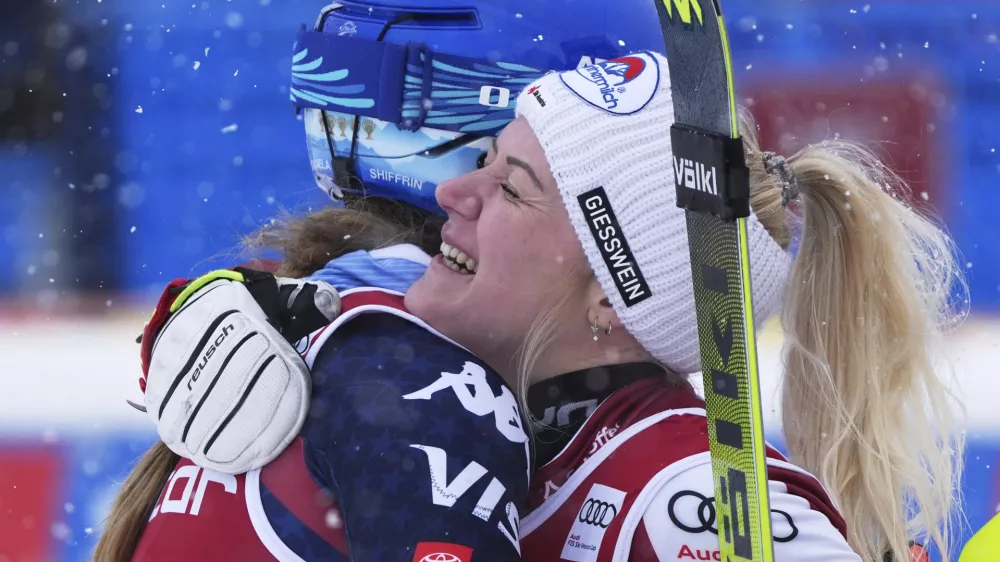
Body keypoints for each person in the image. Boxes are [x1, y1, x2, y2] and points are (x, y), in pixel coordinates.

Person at [116, 48, 965, 562]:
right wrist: (203, 313)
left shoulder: (678, 495)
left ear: (609, 294)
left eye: (510, 188)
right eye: (486, 159)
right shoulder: (383, 312)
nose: (454, 191)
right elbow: (255, 304)